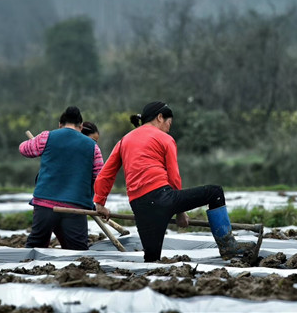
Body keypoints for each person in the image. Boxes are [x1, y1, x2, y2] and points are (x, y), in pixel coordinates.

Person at [93, 101, 255, 262]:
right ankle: (229, 247)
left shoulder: (124, 140)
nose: (169, 128)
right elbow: (174, 176)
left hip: (139, 206)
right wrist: (180, 212)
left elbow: (106, 174)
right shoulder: (164, 138)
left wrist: (99, 202)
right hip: (163, 198)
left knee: (151, 259)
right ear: (160, 117)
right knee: (215, 192)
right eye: (169, 123)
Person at [19, 106, 104, 250]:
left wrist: (39, 145)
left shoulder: (46, 137)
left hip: (45, 205)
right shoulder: (92, 146)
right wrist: (100, 202)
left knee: (34, 248)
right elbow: (100, 176)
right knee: (78, 252)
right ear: (80, 126)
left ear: (60, 124)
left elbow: (24, 149)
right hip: (75, 207)